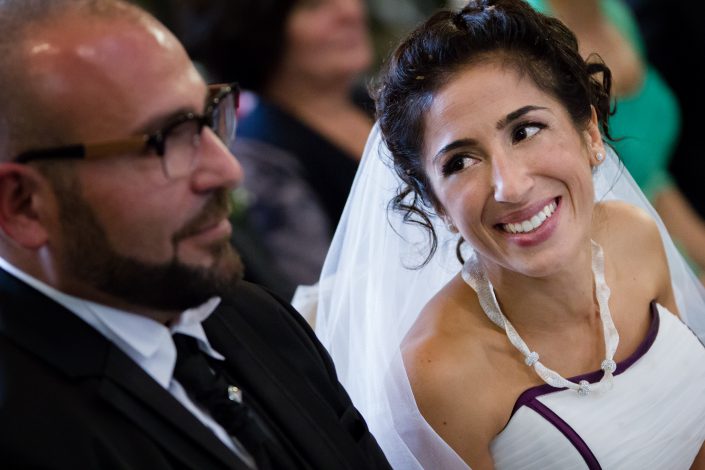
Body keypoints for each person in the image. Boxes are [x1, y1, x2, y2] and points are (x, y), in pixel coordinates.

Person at [0, 1, 391, 468]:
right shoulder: (25, 429)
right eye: (165, 139)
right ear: (22, 204)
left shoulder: (256, 316)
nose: (227, 169)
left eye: (208, 118)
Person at [315, 0, 705, 468]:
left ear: (591, 133)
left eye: (526, 130)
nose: (511, 185)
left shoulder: (635, 235)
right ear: (437, 204)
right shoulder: (437, 375)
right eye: (460, 161)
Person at [158, 0, 375, 299]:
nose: (348, 11)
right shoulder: (262, 154)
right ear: (259, 30)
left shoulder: (382, 102)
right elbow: (321, 296)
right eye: (313, 5)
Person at [527, 0, 705, 280]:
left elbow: (650, 179)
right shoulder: (531, 36)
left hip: (666, 228)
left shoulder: (613, 10)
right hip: (614, 265)